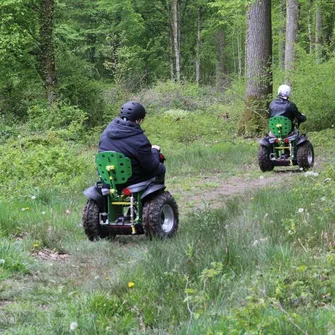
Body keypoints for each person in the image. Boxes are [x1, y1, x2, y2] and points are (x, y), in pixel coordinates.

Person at [98, 101, 166, 187]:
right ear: (138, 120)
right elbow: (151, 166)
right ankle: (157, 197)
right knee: (161, 168)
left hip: (108, 179)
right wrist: (155, 151)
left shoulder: (106, 133)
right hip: (131, 180)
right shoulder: (139, 139)